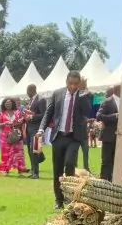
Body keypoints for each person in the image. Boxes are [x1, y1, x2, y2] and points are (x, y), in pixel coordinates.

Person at [37, 70, 91, 209]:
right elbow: (49, 112)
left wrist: (83, 91)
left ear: (80, 83)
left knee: (70, 163)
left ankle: (70, 197)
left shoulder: (83, 95)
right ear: (66, 82)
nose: (73, 87)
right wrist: (41, 129)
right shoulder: (57, 94)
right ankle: (58, 200)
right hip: (58, 136)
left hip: (74, 137)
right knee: (57, 170)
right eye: (71, 83)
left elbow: (87, 111)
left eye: (76, 84)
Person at [0, 97, 27, 174]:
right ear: (4, 105)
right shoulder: (1, 113)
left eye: (9, 103)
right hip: (5, 137)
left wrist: (18, 122)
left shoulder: (17, 112)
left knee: (18, 152)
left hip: (16, 135)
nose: (8, 104)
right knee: (6, 153)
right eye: (6, 103)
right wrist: (4, 123)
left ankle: (20, 170)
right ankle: (6, 170)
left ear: (12, 103)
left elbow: (23, 121)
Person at [96, 85, 119, 181]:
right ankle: (104, 181)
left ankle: (113, 180)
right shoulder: (108, 101)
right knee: (106, 161)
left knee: (116, 161)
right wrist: (115, 116)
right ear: (118, 90)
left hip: (119, 136)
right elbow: (99, 116)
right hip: (108, 136)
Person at [24, 83, 45, 179]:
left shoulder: (41, 100)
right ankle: (33, 170)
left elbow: (44, 115)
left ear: (32, 90)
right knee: (30, 150)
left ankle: (36, 173)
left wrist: (31, 117)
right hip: (29, 129)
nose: (27, 93)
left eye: (27, 91)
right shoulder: (31, 101)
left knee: (35, 150)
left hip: (37, 129)